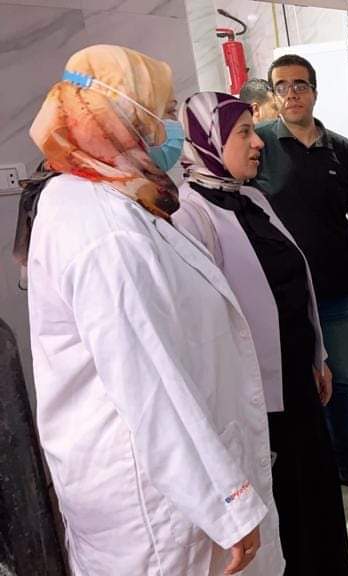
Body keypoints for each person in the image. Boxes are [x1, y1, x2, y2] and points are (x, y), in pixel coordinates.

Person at [25, 45, 282, 575]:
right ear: (121, 118)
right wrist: (228, 504)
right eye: (162, 113)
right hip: (155, 505)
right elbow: (150, 381)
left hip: (160, 482)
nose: (171, 130)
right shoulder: (104, 231)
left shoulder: (115, 198)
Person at [173, 91, 348, 575]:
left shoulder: (252, 199)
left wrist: (318, 356)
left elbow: (297, 284)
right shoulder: (189, 217)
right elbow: (207, 326)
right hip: (255, 397)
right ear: (207, 141)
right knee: (287, 508)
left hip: (297, 380)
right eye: (243, 134)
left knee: (317, 498)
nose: (258, 144)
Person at [252, 54, 348, 495]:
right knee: (299, 383)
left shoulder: (341, 149)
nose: (291, 93)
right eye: (282, 86)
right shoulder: (260, 145)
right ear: (273, 94)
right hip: (283, 296)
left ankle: (344, 459)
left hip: (336, 289)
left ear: (314, 91)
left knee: (342, 379)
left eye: (300, 84)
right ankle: (317, 461)